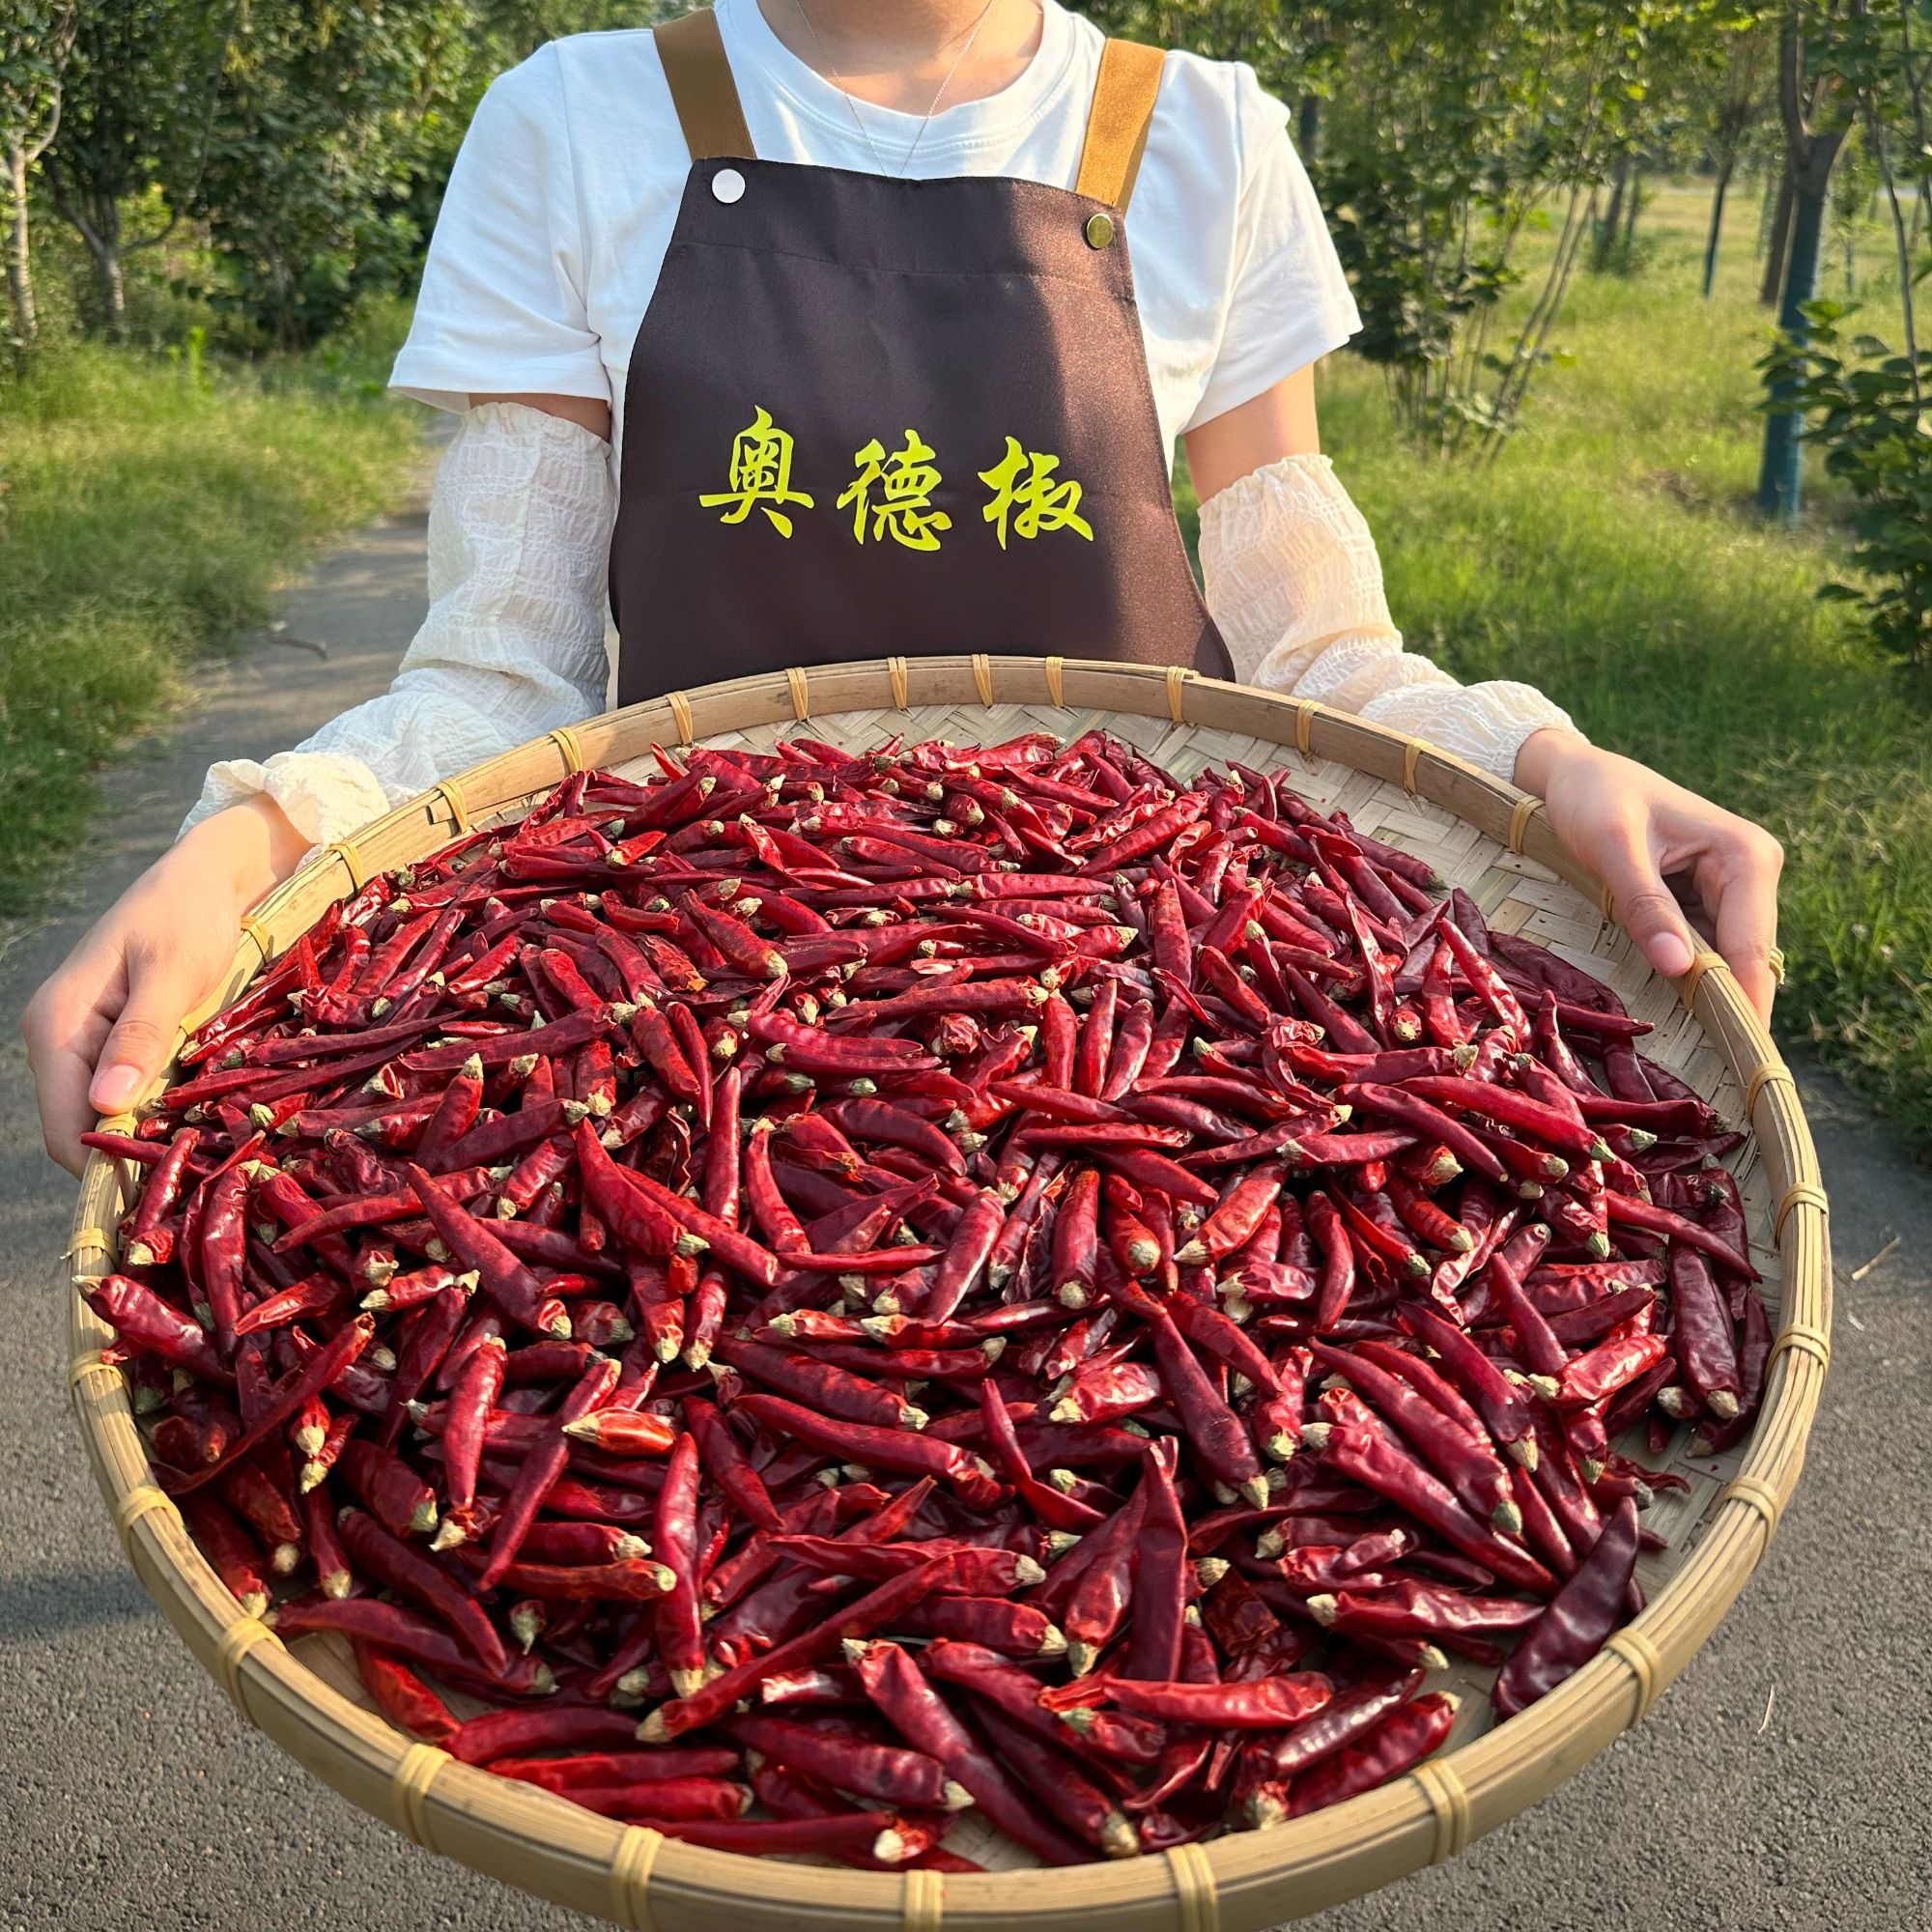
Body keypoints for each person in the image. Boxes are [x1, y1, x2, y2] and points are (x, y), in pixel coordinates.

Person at [22, 0, 1783, 1174]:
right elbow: (505, 680)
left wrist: (1544, 759)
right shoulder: (575, 122)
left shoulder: (1205, 139)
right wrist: (257, 832)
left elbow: (1317, 656)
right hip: (708, 1030)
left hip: (1142, 1032)